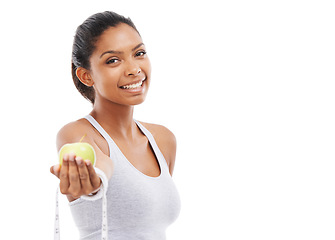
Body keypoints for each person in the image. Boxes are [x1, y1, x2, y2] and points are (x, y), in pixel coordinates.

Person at [50, 11, 181, 240]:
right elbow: (101, 165)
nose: (133, 69)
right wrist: (94, 180)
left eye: (139, 53)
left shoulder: (163, 140)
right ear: (86, 76)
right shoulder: (77, 133)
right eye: (113, 60)